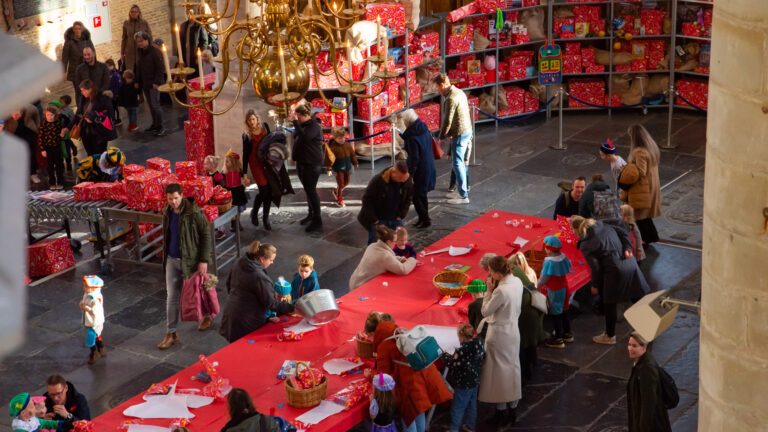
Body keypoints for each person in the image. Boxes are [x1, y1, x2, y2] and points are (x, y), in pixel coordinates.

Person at [570, 216, 650, 345]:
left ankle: (610, 335)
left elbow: (595, 267)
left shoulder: (586, 244)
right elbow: (623, 232)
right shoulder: (603, 225)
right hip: (629, 263)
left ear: (576, 230)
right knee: (637, 298)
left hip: (614, 271)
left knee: (610, 303)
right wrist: (627, 248)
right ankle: (649, 328)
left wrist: (595, 284)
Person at [159, 183, 213, 349]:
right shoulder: (167, 211)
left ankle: (207, 315)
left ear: (181, 196)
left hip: (190, 260)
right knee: (172, 296)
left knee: (198, 291)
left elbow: (206, 234)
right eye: (170, 199)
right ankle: (171, 332)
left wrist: (203, 260)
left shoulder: (194, 213)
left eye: (176, 198)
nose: (173, 202)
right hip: (171, 259)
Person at [372, 320, 452, 432]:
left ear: (375, 333)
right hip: (426, 379)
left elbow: (382, 377)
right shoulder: (402, 333)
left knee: (409, 419)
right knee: (420, 411)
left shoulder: (384, 346)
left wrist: (370, 376)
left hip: (409, 386)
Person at [478, 256, 523, 427]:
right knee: (512, 368)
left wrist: (489, 292)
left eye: (490, 271)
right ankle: (513, 409)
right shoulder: (517, 281)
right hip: (513, 331)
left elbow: (485, 311)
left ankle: (500, 412)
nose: (489, 274)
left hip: (499, 334)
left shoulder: (501, 291)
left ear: (498, 273)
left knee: (498, 373)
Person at [219, 241, 294, 342]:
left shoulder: (239, 261)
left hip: (231, 315)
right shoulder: (259, 277)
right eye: (271, 260)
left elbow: (228, 285)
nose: (272, 262)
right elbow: (271, 303)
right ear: (262, 259)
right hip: (247, 322)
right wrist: (293, 308)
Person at [619, 124, 662, 244]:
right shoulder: (651, 148)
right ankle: (651, 237)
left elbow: (640, 171)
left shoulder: (639, 152)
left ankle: (644, 240)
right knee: (644, 216)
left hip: (642, 189)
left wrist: (627, 170)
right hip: (651, 185)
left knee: (638, 216)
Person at [433, 73, 472, 205]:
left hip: (460, 133)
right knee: (460, 162)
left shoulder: (450, 99)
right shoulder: (459, 92)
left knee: (457, 163)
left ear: (442, 85)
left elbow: (447, 121)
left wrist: (441, 137)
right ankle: (460, 190)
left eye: (437, 87)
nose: (437, 90)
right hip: (466, 130)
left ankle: (463, 195)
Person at [358, 160, 414, 244]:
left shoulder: (406, 180)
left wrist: (401, 215)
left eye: (405, 178)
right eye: (400, 178)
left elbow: (408, 198)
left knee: (400, 243)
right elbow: (366, 199)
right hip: (379, 219)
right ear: (393, 172)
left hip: (395, 218)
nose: (403, 180)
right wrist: (374, 220)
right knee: (375, 244)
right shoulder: (378, 180)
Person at [441, 323, 484, 432]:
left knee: (457, 408)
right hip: (475, 381)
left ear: (461, 337)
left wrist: (444, 355)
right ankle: (470, 426)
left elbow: (453, 364)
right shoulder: (479, 343)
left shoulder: (462, 350)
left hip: (463, 383)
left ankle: (454, 429)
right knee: (472, 405)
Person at [626, 332, 672, 432]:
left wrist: (642, 428)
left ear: (644, 347)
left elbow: (649, 404)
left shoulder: (646, 370)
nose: (630, 348)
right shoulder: (642, 361)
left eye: (634, 346)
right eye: (629, 344)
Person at [349, 225, 417, 290]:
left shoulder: (372, 246)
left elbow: (388, 258)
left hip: (355, 280)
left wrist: (401, 259)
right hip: (360, 287)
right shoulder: (384, 256)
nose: (395, 244)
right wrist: (412, 259)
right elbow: (403, 270)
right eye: (395, 241)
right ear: (389, 242)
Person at [399, 109, 436, 227]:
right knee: (422, 195)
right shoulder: (424, 128)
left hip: (420, 170)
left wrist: (411, 175)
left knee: (416, 196)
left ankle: (425, 220)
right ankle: (423, 218)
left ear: (407, 122)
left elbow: (414, 158)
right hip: (429, 164)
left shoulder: (411, 137)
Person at [291, 103, 324, 232]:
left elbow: (305, 138)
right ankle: (311, 214)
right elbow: (297, 137)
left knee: (311, 190)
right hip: (302, 162)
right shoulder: (304, 125)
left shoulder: (314, 126)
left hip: (312, 163)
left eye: (299, 117)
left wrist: (295, 123)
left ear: (306, 115)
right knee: (307, 189)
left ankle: (317, 219)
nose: (298, 120)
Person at [537, 236, 573, 349]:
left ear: (549, 249)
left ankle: (558, 339)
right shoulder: (563, 257)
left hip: (555, 290)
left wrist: (535, 285)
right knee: (564, 310)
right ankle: (567, 333)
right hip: (564, 288)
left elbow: (544, 278)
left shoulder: (549, 262)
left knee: (556, 313)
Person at [64, 79, 116, 156]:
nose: (82, 93)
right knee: (90, 155)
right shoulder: (83, 98)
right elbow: (78, 114)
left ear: (90, 89)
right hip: (86, 133)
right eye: (81, 91)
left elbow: (109, 114)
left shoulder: (103, 98)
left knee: (100, 155)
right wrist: (68, 127)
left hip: (99, 133)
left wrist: (93, 119)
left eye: (84, 90)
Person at [240, 110, 271, 227]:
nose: (252, 122)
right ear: (247, 122)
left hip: (267, 162)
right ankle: (255, 213)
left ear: (257, 119)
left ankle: (265, 217)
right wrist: (244, 173)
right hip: (256, 164)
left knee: (269, 191)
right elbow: (245, 154)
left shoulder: (265, 127)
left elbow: (271, 143)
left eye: (253, 119)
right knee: (264, 190)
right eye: (249, 120)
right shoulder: (246, 135)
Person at [134, 31, 166, 136]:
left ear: (147, 40)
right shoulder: (140, 51)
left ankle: (161, 126)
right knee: (151, 105)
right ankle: (155, 124)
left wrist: (157, 82)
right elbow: (138, 67)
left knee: (155, 105)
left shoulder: (155, 51)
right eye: (138, 41)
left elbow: (160, 68)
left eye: (141, 41)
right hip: (145, 82)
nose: (139, 43)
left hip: (154, 83)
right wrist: (137, 81)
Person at [325, 126, 358, 207]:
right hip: (338, 169)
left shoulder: (347, 145)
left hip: (347, 167)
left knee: (347, 182)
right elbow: (329, 159)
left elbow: (352, 154)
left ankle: (336, 191)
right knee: (341, 184)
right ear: (335, 138)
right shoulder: (332, 147)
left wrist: (355, 162)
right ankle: (339, 199)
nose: (342, 140)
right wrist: (329, 169)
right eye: (340, 138)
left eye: (343, 137)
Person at [62, 22, 94, 102]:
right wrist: (63, 71)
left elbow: (93, 53)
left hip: (86, 68)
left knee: (88, 89)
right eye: (76, 29)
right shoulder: (69, 42)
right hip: (75, 70)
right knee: (79, 91)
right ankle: (80, 108)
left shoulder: (86, 40)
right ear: (73, 30)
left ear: (82, 30)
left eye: (79, 29)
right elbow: (65, 57)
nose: (77, 31)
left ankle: (89, 106)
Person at [10, 106, 42, 184]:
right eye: (13, 113)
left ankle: (33, 174)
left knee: (31, 155)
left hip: (28, 136)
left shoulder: (30, 111)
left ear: (22, 113)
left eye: (18, 114)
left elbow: (37, 120)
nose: (15, 115)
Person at [79, 275, 106, 365]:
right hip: (91, 320)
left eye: (86, 286)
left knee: (91, 337)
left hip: (95, 322)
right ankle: (101, 348)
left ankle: (94, 352)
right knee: (96, 334)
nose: (84, 288)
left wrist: (85, 307)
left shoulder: (95, 299)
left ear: (93, 288)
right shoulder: (88, 294)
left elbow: (95, 311)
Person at [179, 9, 213, 79]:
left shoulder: (199, 26)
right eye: (187, 14)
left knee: (195, 73)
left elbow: (204, 41)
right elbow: (180, 42)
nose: (189, 16)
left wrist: (200, 55)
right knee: (187, 73)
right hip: (185, 53)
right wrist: (179, 57)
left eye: (191, 14)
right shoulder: (183, 26)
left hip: (195, 54)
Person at [38, 104, 65, 190]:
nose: (50, 117)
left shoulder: (58, 123)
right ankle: (52, 182)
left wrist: (62, 135)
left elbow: (62, 133)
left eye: (52, 115)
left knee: (59, 165)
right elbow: (40, 138)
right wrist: (42, 149)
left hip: (57, 147)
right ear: (45, 115)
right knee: (50, 167)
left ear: (55, 115)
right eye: (48, 115)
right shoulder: (43, 124)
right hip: (48, 148)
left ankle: (60, 182)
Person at [74, 47, 109, 112]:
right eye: (85, 55)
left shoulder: (103, 67)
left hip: (101, 99)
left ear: (94, 53)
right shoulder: (79, 69)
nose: (87, 57)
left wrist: (97, 94)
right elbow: (77, 86)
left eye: (88, 54)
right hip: (86, 102)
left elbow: (106, 83)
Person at [121, 5, 152, 73]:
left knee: (141, 71)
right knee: (131, 72)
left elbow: (149, 37)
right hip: (129, 53)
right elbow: (124, 39)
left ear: (138, 13)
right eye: (132, 12)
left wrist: (150, 50)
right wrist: (122, 53)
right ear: (129, 13)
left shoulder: (144, 23)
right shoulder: (126, 23)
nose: (134, 13)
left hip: (141, 51)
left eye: (135, 12)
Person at [56, 96, 78, 171]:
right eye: (59, 101)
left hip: (67, 129)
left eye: (61, 102)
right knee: (65, 141)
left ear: (67, 103)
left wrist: (70, 127)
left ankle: (69, 163)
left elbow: (73, 119)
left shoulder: (69, 110)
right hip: (60, 130)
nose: (59, 103)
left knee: (67, 141)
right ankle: (73, 147)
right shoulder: (58, 109)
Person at [105, 59, 123, 125]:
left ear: (112, 66)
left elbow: (118, 85)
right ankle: (114, 118)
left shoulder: (115, 74)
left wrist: (115, 93)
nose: (107, 68)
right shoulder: (109, 74)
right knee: (113, 108)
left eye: (108, 66)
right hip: (111, 94)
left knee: (116, 107)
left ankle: (118, 119)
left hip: (115, 94)